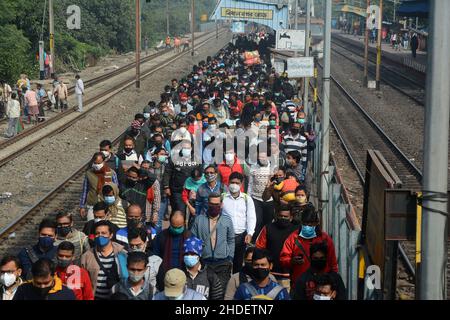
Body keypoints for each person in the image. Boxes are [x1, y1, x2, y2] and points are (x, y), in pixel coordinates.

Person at [279, 207, 338, 290]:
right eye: (305, 224)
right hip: (299, 284)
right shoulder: (293, 238)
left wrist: (333, 281)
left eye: (310, 225)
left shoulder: (325, 239)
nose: (307, 227)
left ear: (316, 223)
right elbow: (283, 259)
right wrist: (292, 261)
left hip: (321, 285)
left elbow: (333, 263)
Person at [191, 193, 235, 289]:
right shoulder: (199, 220)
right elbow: (193, 240)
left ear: (221, 204)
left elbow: (231, 240)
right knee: (204, 292)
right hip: (204, 263)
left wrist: (230, 258)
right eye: (211, 204)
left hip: (223, 263)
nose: (214, 207)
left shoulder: (227, 220)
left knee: (220, 292)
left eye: (217, 204)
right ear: (207, 203)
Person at [80, 221, 128, 300]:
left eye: (104, 233)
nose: (100, 236)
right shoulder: (87, 256)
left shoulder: (122, 254)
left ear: (111, 235)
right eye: (97, 233)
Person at [255, 204, 298, 290]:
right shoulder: (268, 228)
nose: (283, 218)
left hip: (290, 275)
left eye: (285, 216)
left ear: (291, 217)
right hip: (270, 274)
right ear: (277, 215)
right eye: (281, 216)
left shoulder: (296, 230)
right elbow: (259, 248)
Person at [221, 172, 256, 273]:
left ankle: (235, 284)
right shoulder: (223, 198)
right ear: (228, 183)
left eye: (237, 183)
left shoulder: (246, 199)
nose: (234, 185)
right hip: (225, 236)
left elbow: (251, 217)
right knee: (225, 262)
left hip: (241, 236)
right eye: (232, 182)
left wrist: (250, 233)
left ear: (241, 184)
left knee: (238, 263)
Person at [153, 211, 192, 286]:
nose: (176, 229)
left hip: (184, 275)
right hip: (165, 275)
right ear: (170, 223)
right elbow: (156, 256)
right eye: (174, 227)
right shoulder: (162, 236)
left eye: (179, 227)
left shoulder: (189, 237)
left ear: (184, 223)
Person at [80, 152, 119, 221]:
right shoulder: (89, 173)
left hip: (107, 205)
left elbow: (116, 190)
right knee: (91, 224)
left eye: (99, 163)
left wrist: (115, 204)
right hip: (92, 204)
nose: (97, 165)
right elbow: (85, 190)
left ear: (104, 162)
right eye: (95, 163)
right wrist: (82, 206)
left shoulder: (111, 173)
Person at [162, 143, 201, 213]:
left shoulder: (197, 158)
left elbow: (201, 173)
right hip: (178, 190)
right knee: (179, 211)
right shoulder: (174, 158)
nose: (186, 150)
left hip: (193, 190)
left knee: (194, 213)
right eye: (184, 148)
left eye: (188, 148)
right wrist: (166, 186)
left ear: (191, 148)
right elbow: (167, 173)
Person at [247, 151, 274, 241]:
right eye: (259, 157)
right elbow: (250, 184)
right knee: (257, 222)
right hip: (256, 199)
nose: (261, 159)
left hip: (269, 200)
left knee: (268, 222)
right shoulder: (253, 168)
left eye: (263, 157)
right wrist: (248, 198)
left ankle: (267, 241)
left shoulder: (273, 168)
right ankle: (255, 242)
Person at [127, 227, 162, 294]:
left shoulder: (156, 261)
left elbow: (161, 284)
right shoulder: (121, 258)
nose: (134, 249)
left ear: (145, 243)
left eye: (138, 246)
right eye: (131, 246)